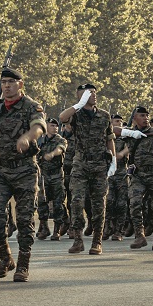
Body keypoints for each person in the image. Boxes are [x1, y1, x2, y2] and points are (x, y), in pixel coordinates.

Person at [0, 68, 46, 281]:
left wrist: (27, 137)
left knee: (24, 219)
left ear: (20, 85)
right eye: (4, 82)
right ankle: (5, 258)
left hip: (24, 169)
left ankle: (23, 264)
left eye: (11, 82)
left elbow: (38, 126)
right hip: (0, 169)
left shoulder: (31, 106)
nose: (6, 85)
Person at [59, 83, 113, 255]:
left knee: (99, 203)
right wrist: (78, 105)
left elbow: (109, 138)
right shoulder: (76, 115)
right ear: (80, 96)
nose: (93, 95)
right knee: (76, 202)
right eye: (89, 93)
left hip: (99, 165)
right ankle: (78, 240)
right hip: (81, 164)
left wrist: (113, 160)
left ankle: (97, 241)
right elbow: (62, 118)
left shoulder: (104, 115)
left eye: (94, 92)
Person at [120, 107, 153, 250]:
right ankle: (139, 236)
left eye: (147, 115)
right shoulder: (130, 133)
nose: (146, 118)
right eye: (142, 115)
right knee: (134, 203)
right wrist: (130, 133)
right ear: (134, 118)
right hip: (138, 175)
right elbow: (113, 129)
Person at [37, 118, 68, 241]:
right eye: (52, 125)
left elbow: (60, 149)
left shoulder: (61, 140)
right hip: (43, 175)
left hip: (56, 175)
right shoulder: (40, 140)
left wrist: (52, 154)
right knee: (42, 202)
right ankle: (44, 227)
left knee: (58, 203)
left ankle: (57, 229)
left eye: (56, 126)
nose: (55, 127)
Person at [106, 114, 130, 241]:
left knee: (121, 204)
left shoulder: (126, 137)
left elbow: (130, 147)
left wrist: (121, 153)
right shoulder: (107, 137)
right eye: (116, 121)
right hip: (109, 175)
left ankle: (118, 231)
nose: (119, 123)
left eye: (121, 121)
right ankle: (107, 227)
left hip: (122, 174)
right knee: (108, 202)